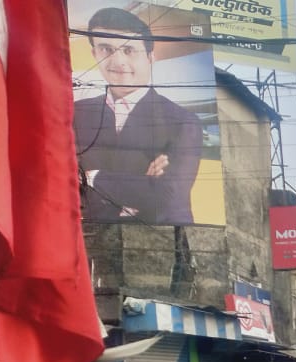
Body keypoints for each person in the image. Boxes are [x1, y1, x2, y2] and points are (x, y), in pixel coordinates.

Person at [74, 7, 202, 224]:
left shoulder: (181, 121)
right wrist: (140, 185)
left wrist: (92, 177)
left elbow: (166, 195)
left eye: (129, 50)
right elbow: (60, 184)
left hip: (161, 243)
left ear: (151, 57)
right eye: (106, 49)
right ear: (94, 54)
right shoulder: (75, 114)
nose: (118, 62)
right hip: (90, 241)